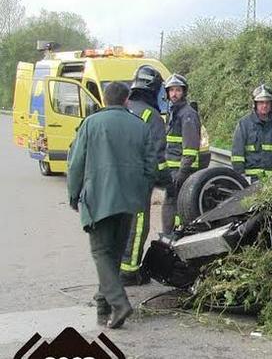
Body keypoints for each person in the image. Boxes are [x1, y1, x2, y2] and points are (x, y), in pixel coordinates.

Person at [67, 82, 155, 329]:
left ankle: (119, 303)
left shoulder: (91, 124)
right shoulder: (140, 126)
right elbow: (151, 168)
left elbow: (75, 164)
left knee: (100, 253)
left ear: (104, 100)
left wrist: (74, 195)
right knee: (113, 254)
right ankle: (103, 305)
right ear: (126, 100)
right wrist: (139, 195)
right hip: (129, 202)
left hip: (99, 199)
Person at [119, 65, 168, 286]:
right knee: (138, 224)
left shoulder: (121, 108)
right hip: (138, 180)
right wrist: (166, 180)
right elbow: (158, 156)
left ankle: (116, 266)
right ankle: (129, 272)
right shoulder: (153, 116)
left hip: (116, 178)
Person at [161, 73, 203, 232]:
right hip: (173, 169)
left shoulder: (188, 114)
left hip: (183, 169)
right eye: (171, 90)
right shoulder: (173, 112)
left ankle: (174, 234)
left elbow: (191, 147)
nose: (174, 94)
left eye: (178, 90)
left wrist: (182, 172)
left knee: (175, 204)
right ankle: (172, 233)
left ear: (183, 92)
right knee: (173, 202)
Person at [231, 84, 272, 182]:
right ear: (255, 104)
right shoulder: (244, 124)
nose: (265, 105)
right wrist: (241, 177)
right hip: (251, 179)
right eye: (261, 102)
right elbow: (237, 154)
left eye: (267, 102)